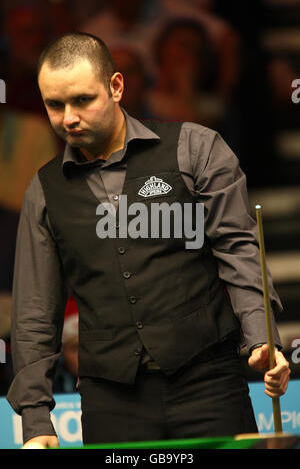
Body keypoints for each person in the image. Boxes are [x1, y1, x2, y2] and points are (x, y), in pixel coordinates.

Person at [7, 32, 290, 448]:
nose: (68, 117)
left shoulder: (195, 148)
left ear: (116, 86)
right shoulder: (43, 190)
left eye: (83, 100)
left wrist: (262, 338)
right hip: (112, 399)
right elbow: (34, 310)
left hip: (207, 382)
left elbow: (239, 250)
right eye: (55, 104)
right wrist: (35, 420)